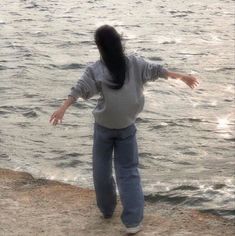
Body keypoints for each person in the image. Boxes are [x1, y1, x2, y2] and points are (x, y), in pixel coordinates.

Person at [49, 25, 199, 234]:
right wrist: (181, 76)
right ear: (119, 43)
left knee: (107, 171)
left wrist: (63, 107)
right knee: (123, 173)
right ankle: (128, 218)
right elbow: (157, 70)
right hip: (121, 127)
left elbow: (80, 88)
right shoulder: (131, 64)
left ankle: (115, 213)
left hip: (110, 128)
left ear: (100, 47)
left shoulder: (104, 67)